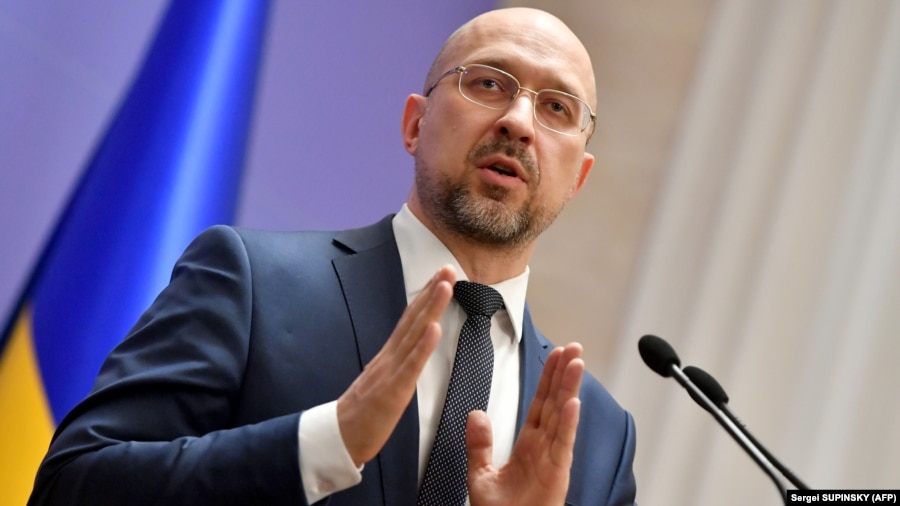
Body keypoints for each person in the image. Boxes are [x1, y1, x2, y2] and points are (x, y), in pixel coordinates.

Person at [29, 7, 636, 506]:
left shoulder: (600, 436)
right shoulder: (253, 284)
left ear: (578, 179)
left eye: (557, 108)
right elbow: (72, 486)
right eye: (488, 83)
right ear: (415, 124)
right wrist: (327, 443)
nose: (518, 122)